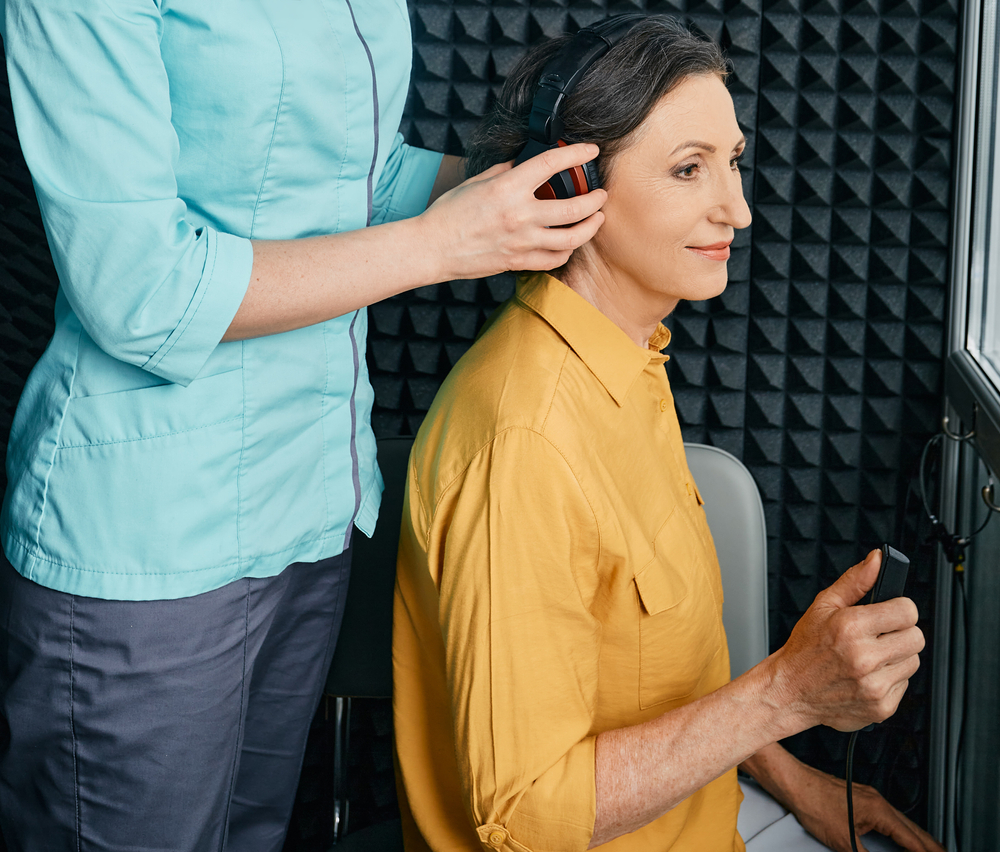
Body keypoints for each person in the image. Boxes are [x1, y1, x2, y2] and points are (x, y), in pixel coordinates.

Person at [0, 2, 609, 850]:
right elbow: (140, 290)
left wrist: (515, 191)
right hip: (153, 539)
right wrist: (447, 244)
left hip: (313, 510)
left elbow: (347, 181)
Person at [392, 15, 946, 852]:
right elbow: (527, 818)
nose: (740, 210)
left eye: (732, 162)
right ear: (575, 188)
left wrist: (797, 782)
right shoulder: (525, 443)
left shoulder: (628, 358)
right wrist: (788, 693)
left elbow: (650, 677)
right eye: (689, 169)